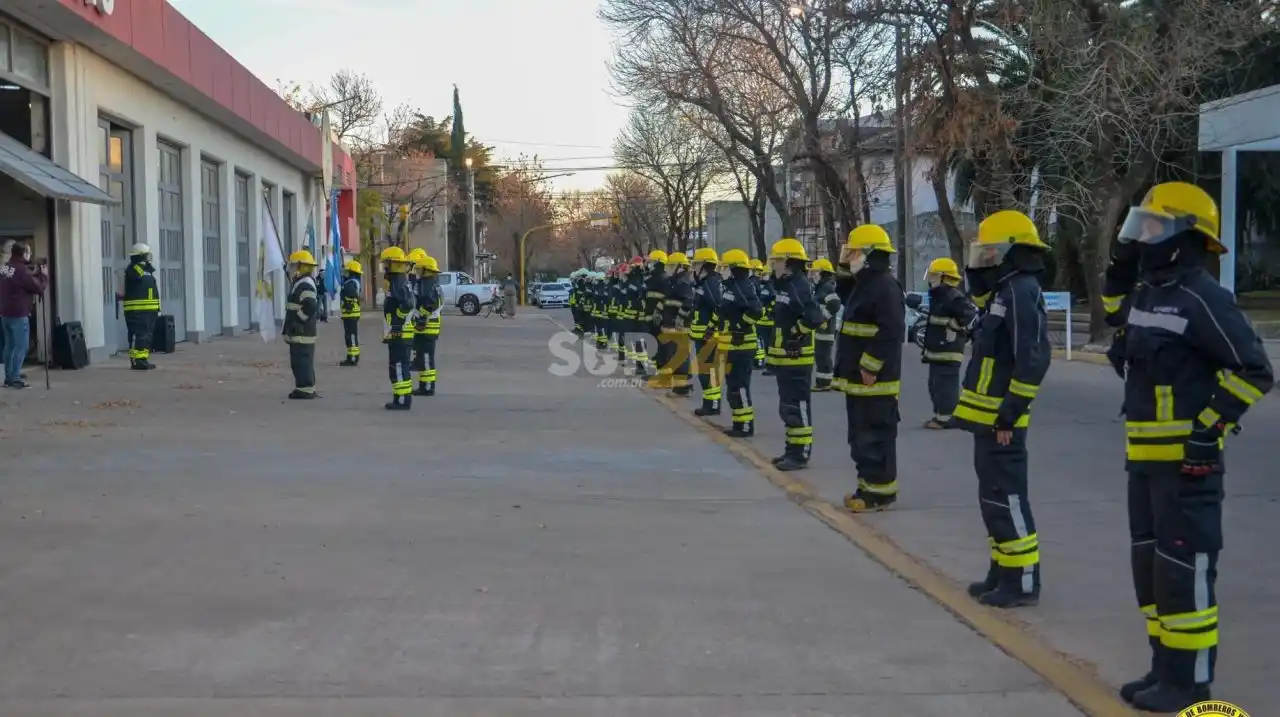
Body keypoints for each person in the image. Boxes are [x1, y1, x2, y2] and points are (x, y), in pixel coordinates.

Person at [1105, 182, 1273, 713]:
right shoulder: (1150, 292)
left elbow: (1255, 370)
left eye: (1153, 228)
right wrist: (1117, 280)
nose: (1143, 238)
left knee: (1184, 572)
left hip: (1186, 467)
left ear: (1184, 237)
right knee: (1152, 573)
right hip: (1144, 463)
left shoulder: (1203, 296)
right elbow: (1117, 320)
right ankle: (1164, 668)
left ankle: (1190, 682)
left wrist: (1207, 429)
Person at [952, 210, 1051, 609]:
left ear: (1010, 250)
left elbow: (1032, 358)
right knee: (993, 499)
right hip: (987, 419)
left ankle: (1022, 580)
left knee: (1008, 499)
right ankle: (1002, 570)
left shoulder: (1021, 291)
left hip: (1003, 421)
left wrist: (1010, 412)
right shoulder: (1003, 290)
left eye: (991, 251)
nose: (985, 257)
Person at [833, 226, 906, 505]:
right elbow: (844, 295)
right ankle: (866, 488)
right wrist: (844, 270)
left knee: (875, 437)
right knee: (861, 438)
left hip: (874, 380)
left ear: (869, 255)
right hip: (860, 379)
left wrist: (870, 365)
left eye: (854, 253)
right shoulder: (865, 285)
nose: (849, 258)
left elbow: (891, 330)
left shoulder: (884, 286)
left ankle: (878, 494)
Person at [766, 238, 827, 472]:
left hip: (796, 359)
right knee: (788, 407)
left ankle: (800, 454)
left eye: (777, 261)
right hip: (786, 359)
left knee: (797, 405)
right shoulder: (786, 284)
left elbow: (814, 317)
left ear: (788, 262)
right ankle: (791, 450)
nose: (773, 265)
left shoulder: (798, 285)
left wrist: (796, 333)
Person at [911, 257, 975, 429]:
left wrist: (954, 326)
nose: (931, 280)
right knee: (936, 385)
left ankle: (946, 419)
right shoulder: (940, 296)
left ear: (944, 277)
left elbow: (969, 313)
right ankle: (940, 415)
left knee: (945, 386)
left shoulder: (953, 296)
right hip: (938, 351)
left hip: (948, 351)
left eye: (934, 276)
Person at [716, 249, 763, 437]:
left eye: (725, 268)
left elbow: (756, 311)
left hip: (742, 346)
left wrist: (740, 326)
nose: (722, 271)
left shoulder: (743, 287)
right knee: (733, 387)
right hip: (732, 346)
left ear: (733, 269)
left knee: (739, 387)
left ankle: (745, 426)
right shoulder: (732, 286)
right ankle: (738, 423)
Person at [0, 242, 47, 388]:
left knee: (9, 346)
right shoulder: (22, 271)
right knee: (21, 347)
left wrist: (34, 274)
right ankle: (15, 377)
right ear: (23, 254)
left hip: (5, 313)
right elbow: (37, 287)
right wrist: (43, 276)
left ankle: (9, 376)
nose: (30, 255)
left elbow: (18, 281)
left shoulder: (5, 268)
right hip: (19, 314)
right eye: (28, 252)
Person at [381, 246, 416, 410]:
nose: (384, 267)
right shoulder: (399, 280)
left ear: (392, 264)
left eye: (386, 264)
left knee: (399, 367)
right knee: (400, 366)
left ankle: (402, 400)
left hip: (400, 333)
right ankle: (401, 397)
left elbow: (407, 304)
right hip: (400, 333)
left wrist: (396, 324)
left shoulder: (397, 281)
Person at [282, 249, 320, 399]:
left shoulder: (305, 284)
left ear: (300, 267)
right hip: (301, 331)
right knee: (300, 361)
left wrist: (299, 320)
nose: (291, 268)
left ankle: (305, 390)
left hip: (302, 331)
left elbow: (310, 305)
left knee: (302, 361)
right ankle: (304, 387)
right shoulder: (302, 282)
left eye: (293, 266)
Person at [690, 247, 724, 415]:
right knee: (704, 370)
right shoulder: (704, 283)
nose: (694, 268)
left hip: (708, 336)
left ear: (704, 265)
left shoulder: (711, 283)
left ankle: (712, 404)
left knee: (708, 371)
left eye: (696, 264)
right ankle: (709, 403)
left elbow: (719, 307)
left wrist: (711, 327)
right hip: (701, 335)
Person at [120, 243, 160, 371]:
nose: (148, 257)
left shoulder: (147, 270)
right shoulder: (133, 269)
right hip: (136, 311)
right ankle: (136, 361)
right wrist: (145, 266)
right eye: (146, 255)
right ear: (140, 256)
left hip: (149, 310)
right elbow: (137, 277)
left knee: (146, 336)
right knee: (139, 335)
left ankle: (143, 359)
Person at [661, 252, 696, 397]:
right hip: (672, 325)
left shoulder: (682, 282)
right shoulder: (674, 281)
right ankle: (679, 386)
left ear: (680, 267)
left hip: (679, 327)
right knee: (675, 355)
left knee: (679, 356)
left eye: (671, 265)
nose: (668, 268)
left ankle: (682, 389)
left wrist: (680, 318)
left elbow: (689, 302)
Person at [413, 254, 444, 396]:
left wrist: (421, 317)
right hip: (429, 328)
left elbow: (430, 304)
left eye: (420, 270)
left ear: (427, 270)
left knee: (425, 359)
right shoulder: (433, 284)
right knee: (424, 358)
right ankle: (425, 386)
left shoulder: (427, 284)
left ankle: (427, 387)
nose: (418, 273)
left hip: (426, 328)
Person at [809, 258, 841, 392]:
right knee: (820, 355)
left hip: (826, 329)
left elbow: (835, 304)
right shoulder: (821, 287)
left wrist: (823, 318)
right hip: (822, 329)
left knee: (823, 356)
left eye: (815, 272)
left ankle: (825, 382)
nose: (813, 275)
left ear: (822, 273)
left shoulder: (826, 287)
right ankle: (822, 381)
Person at [642, 250, 670, 384]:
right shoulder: (652, 278)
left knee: (660, 348)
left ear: (658, 262)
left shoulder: (664, 279)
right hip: (650, 318)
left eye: (651, 261)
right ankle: (654, 373)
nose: (649, 264)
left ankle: (662, 375)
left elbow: (666, 299)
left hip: (658, 319)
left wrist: (658, 313)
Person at [751, 258, 775, 372]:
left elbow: (773, 300)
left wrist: (770, 310)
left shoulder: (771, 286)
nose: (763, 276)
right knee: (761, 342)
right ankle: (762, 362)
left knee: (767, 343)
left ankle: (766, 363)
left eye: (765, 274)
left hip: (768, 321)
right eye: (763, 274)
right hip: (761, 320)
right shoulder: (760, 285)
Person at [338, 260, 363, 366]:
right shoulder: (352, 282)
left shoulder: (351, 283)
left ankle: (353, 358)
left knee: (351, 336)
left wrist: (347, 301)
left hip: (351, 313)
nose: (345, 274)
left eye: (347, 272)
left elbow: (351, 294)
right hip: (349, 314)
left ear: (352, 272)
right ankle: (350, 357)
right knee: (349, 336)